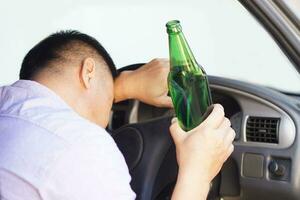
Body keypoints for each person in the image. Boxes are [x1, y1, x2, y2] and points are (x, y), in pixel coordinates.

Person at [0, 30, 235, 200]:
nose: (105, 122)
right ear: (88, 71)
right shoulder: (81, 144)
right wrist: (198, 171)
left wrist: (123, 85)